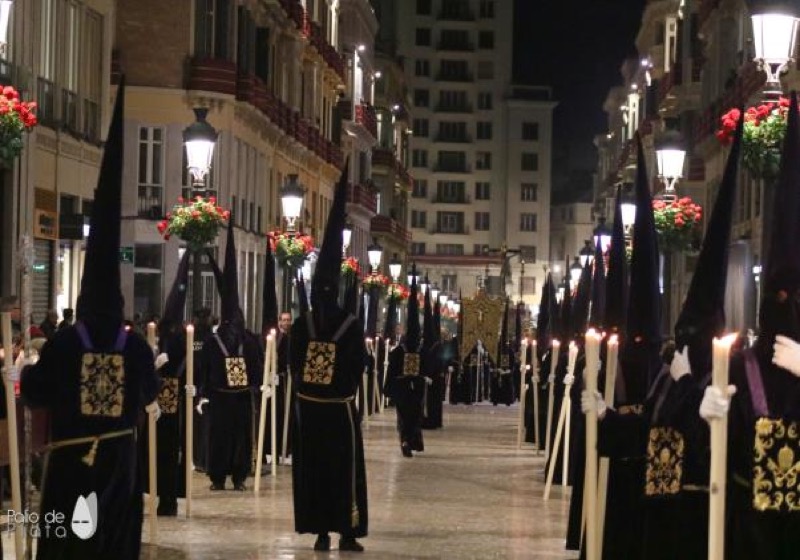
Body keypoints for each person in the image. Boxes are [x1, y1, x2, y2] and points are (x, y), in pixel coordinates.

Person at [21, 82, 161, 560]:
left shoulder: (64, 343)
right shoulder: (135, 345)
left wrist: (24, 375)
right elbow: (148, 392)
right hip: (119, 463)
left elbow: (36, 391)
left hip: (70, 464)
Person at [699, 92, 800, 560]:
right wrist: (706, 407)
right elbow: (707, 454)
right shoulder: (743, 366)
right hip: (750, 530)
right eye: (781, 298)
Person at [290, 163, 367, 552]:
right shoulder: (351, 326)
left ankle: (319, 530)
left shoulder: (301, 325)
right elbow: (361, 365)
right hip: (338, 410)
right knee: (343, 470)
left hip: (308, 409)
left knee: (314, 471)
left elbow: (291, 362)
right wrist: (347, 387)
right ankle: (346, 530)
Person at [197, 219, 263, 491]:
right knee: (238, 437)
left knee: (221, 437)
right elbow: (257, 365)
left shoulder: (216, 341)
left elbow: (204, 368)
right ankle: (237, 477)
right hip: (237, 397)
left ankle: (220, 477)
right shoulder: (247, 339)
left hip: (223, 397)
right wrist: (257, 386)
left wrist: (202, 390)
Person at [386, 266, 427, 457]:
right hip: (411, 386)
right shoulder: (414, 350)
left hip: (409, 387)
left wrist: (389, 388)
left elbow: (392, 371)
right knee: (411, 415)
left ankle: (408, 440)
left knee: (407, 415)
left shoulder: (401, 351)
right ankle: (408, 440)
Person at [265, 311, 293, 464]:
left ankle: (286, 449)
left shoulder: (292, 338)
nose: (286, 322)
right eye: (284, 320)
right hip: (278, 380)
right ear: (279, 322)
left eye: (289, 320)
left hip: (288, 381)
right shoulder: (277, 339)